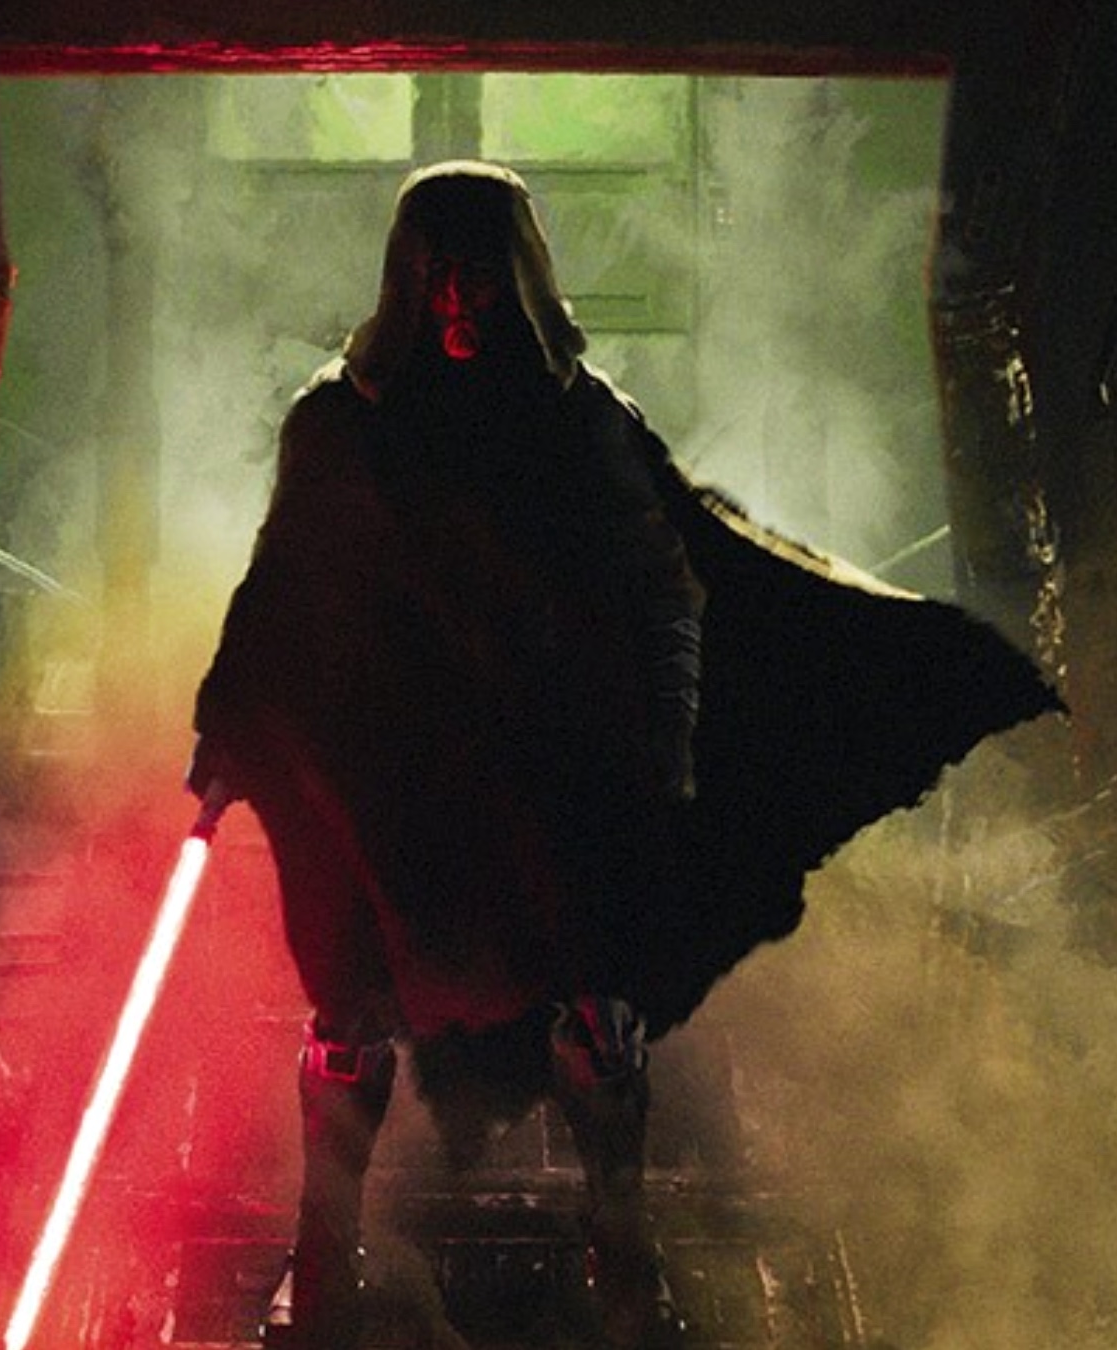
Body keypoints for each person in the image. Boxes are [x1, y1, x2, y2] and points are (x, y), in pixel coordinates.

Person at [187, 160, 1058, 1350]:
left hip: (548, 764)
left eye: (480, 277)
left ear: (519, 280)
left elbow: (662, 590)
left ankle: (620, 1241)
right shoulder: (343, 420)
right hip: (394, 771)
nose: (460, 304)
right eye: (439, 278)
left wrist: (664, 737)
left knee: (597, 1018)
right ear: (407, 281)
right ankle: (324, 1245)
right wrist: (228, 731)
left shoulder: (584, 419)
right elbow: (284, 586)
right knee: (347, 1017)